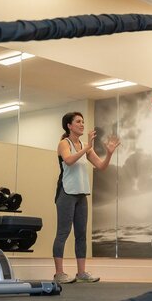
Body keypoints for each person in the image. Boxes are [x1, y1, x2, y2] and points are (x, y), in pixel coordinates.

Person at [53, 112, 119, 284]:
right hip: (66, 193)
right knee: (63, 232)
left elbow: (101, 166)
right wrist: (87, 147)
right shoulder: (64, 143)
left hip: (81, 194)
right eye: (78, 122)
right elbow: (68, 160)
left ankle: (81, 273)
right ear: (69, 125)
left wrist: (109, 153)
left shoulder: (85, 146)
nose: (82, 124)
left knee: (81, 234)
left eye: (83, 121)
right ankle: (59, 274)